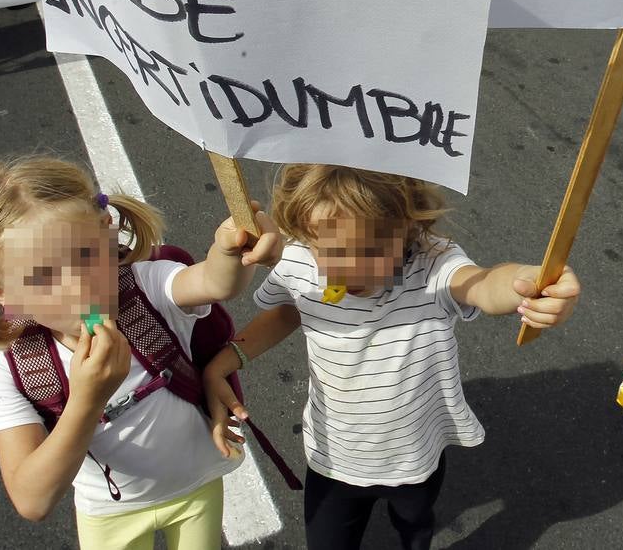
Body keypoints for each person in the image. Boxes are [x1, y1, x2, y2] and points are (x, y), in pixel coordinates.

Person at [204, 163, 582, 550]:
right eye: (329, 251)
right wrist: (232, 356)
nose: (347, 269)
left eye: (369, 250)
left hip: (414, 459)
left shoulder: (431, 266)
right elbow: (290, 310)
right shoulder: (299, 260)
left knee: (415, 527)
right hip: (334, 456)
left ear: (409, 227)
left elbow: (484, 284)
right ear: (304, 235)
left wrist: (532, 285)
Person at [0, 156, 282, 549]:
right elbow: (32, 500)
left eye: (86, 256)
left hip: (196, 484)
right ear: (1, 293)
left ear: (109, 235)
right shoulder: (5, 359)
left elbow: (215, 281)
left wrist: (234, 249)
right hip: (109, 510)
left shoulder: (146, 288)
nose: (77, 288)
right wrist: (87, 400)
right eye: (42, 277)